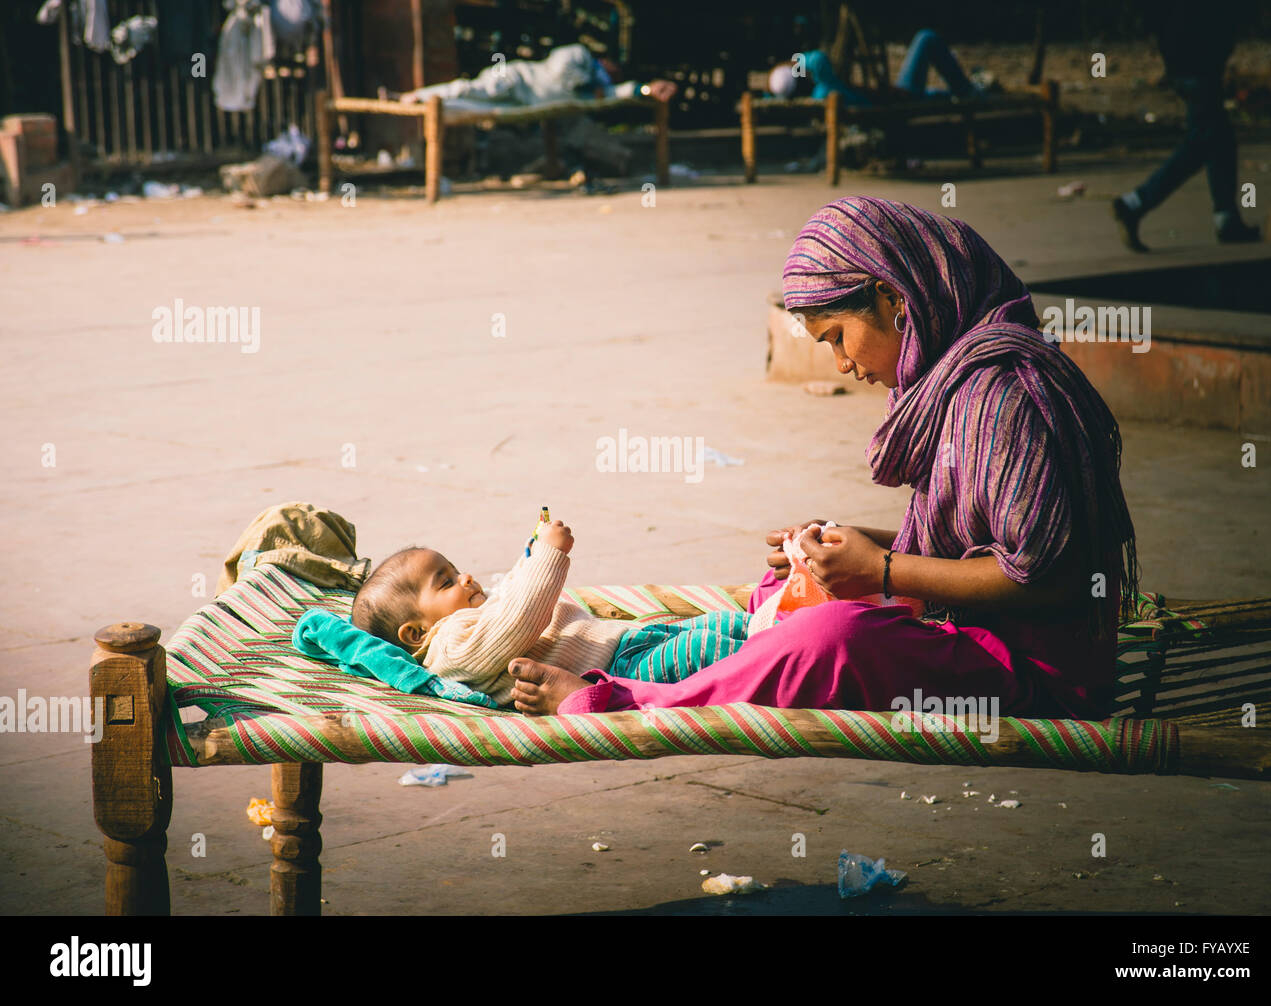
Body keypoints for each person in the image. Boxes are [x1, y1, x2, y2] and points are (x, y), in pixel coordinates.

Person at [508, 197, 1139, 722]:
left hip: (1034, 676)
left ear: (895, 300)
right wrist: (857, 547)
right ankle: (731, 661)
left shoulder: (1005, 395)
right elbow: (985, 547)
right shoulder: (963, 382)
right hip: (975, 636)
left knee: (830, 642)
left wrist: (886, 570)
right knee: (792, 588)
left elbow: (1046, 576)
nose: (842, 365)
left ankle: (633, 702)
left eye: (837, 336)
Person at [349, 518, 748, 706]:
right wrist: (549, 555)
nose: (466, 578)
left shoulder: (471, 620)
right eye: (446, 582)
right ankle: (793, 652)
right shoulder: (451, 648)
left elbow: (510, 593)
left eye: (456, 570)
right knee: (709, 652)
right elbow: (519, 618)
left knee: (721, 625)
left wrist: (529, 554)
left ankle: (783, 629)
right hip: (622, 671)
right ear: (416, 633)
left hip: (629, 642)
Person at [1111, 0, 1259, 250]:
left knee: (1219, 138)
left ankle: (1227, 217)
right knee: (1204, 140)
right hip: (1196, 61)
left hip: (1188, 58)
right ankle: (1135, 202)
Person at [396, 42, 676, 108]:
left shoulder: (600, 88)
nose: (616, 74)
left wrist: (648, 90)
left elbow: (624, 91)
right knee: (471, 90)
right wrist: (589, 83)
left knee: (467, 106)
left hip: (525, 101)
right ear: (606, 60)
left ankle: (419, 102)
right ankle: (412, 96)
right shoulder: (580, 56)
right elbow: (559, 70)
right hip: (516, 78)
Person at [767, 30, 985, 106]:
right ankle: (968, 90)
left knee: (935, 96)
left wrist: (778, 78)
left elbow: (776, 92)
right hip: (898, 98)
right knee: (926, 38)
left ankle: (967, 91)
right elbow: (818, 59)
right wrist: (791, 63)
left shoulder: (815, 96)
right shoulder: (825, 87)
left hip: (893, 97)